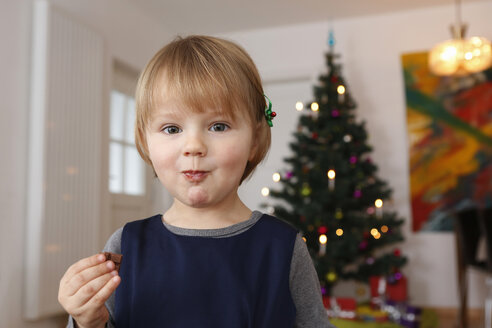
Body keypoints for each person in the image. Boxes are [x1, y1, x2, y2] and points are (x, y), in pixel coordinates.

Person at [58, 35, 335, 328]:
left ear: (254, 139)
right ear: (145, 142)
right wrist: (86, 321)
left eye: (218, 126)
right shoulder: (125, 246)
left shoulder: (284, 248)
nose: (193, 145)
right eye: (171, 128)